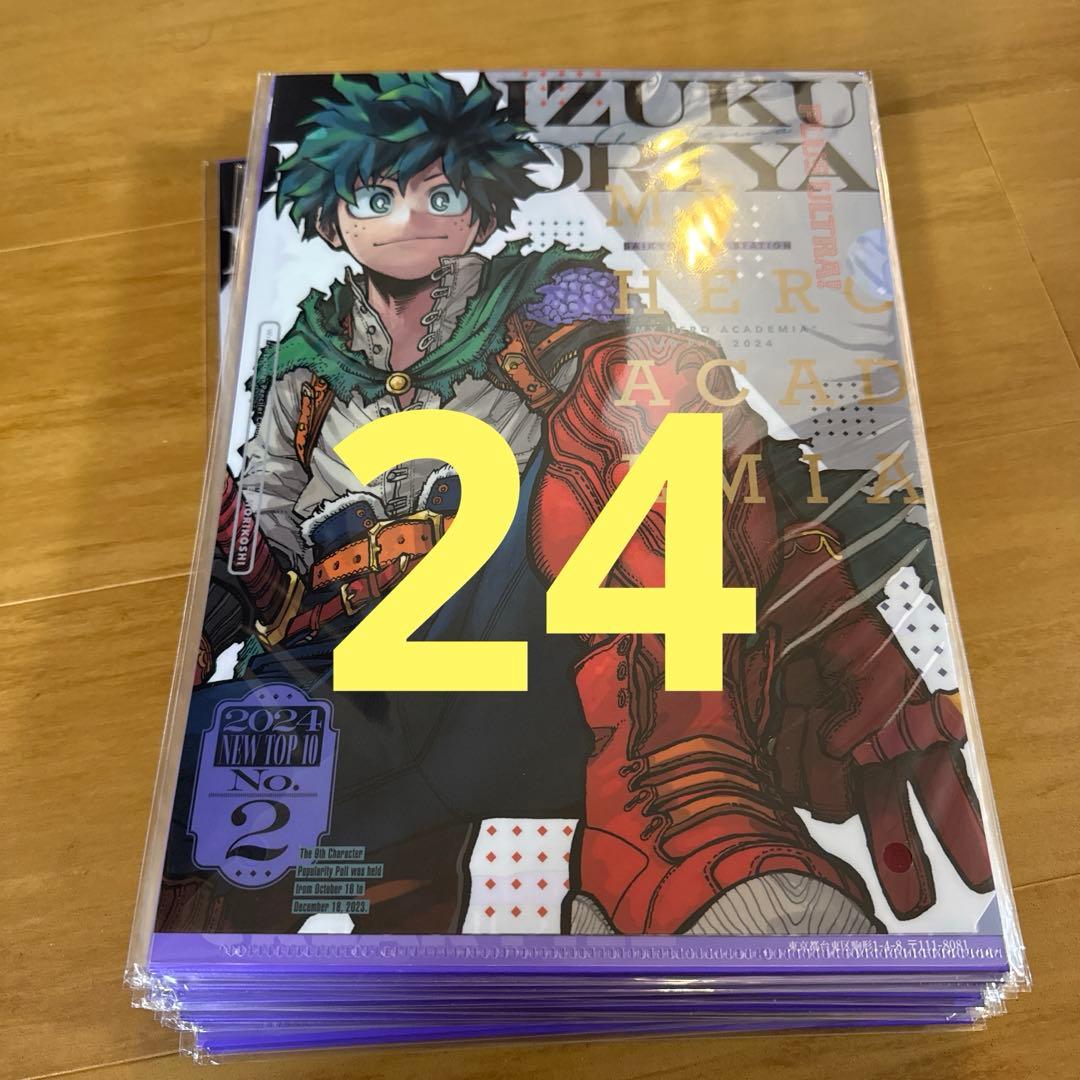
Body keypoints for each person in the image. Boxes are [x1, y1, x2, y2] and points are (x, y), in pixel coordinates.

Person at [173, 72, 990, 937]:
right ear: (332, 220)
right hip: (335, 666)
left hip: (519, 638)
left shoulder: (544, 294)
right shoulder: (300, 363)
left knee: (654, 373)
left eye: (441, 196)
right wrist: (200, 634)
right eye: (376, 198)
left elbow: (682, 403)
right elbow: (261, 517)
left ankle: (680, 807)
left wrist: (829, 584)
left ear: (480, 212)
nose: (410, 219)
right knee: (210, 855)